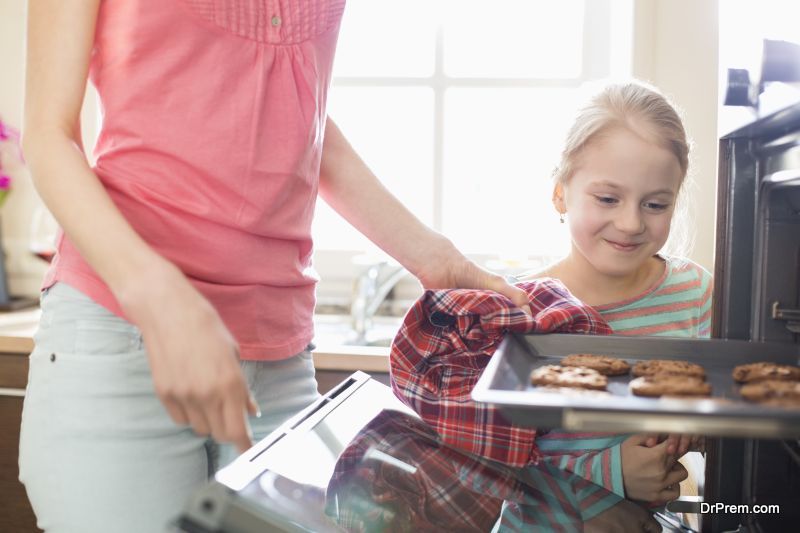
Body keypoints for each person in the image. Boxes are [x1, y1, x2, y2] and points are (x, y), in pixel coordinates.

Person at [18, 1, 528, 532]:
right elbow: (50, 135)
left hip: (279, 357)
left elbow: (302, 119)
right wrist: (161, 300)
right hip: (121, 336)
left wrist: (434, 258)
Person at [520, 80, 712, 507]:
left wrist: (698, 423)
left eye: (655, 204)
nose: (630, 223)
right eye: (608, 198)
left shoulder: (696, 293)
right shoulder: (520, 309)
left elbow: (730, 417)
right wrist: (607, 480)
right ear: (560, 195)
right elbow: (492, 460)